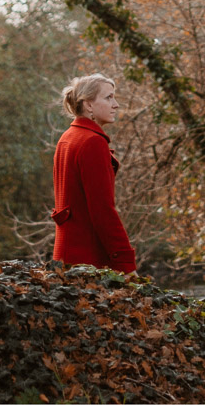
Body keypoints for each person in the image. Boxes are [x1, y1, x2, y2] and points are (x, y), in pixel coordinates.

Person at [51, 73, 137, 273]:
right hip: (87, 261)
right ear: (88, 105)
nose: (115, 104)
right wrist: (125, 263)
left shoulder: (67, 137)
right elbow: (103, 211)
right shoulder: (92, 142)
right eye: (108, 98)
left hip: (64, 256)